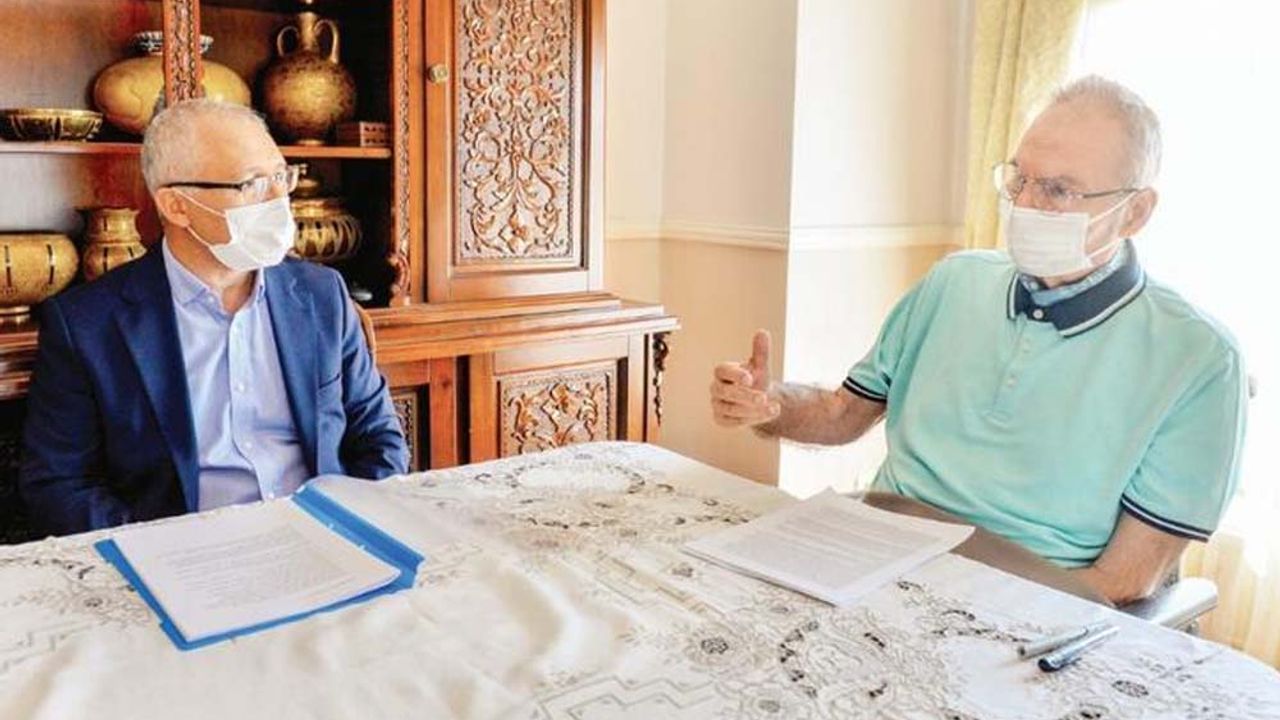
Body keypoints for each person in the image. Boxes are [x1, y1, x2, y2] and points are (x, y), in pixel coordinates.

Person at [709, 76, 1247, 605]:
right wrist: (770, 404)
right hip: (877, 550)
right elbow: (841, 414)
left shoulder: (1199, 358)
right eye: (1019, 179)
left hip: (1030, 593)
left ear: (1135, 212)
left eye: (1058, 190)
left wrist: (957, 606)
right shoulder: (954, 282)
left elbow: (1124, 581)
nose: (1026, 204)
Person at [20, 99, 408, 536]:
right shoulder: (87, 324)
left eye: (282, 176)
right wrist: (163, 552)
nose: (280, 199)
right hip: (184, 554)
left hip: (323, 537)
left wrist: (350, 530)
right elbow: (59, 485)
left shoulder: (322, 295)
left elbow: (379, 438)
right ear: (177, 205)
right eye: (252, 184)